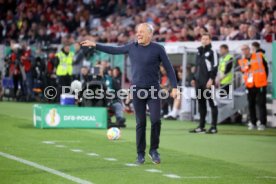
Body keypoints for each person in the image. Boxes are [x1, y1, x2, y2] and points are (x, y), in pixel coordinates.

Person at [80, 23, 178, 164]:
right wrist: (95, 45)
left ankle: (154, 150)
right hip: (137, 90)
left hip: (153, 90)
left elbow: (169, 68)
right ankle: (140, 154)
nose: (138, 34)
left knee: (156, 120)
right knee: (141, 123)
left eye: (142, 32)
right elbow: (113, 50)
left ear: (150, 34)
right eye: (137, 31)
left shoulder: (158, 49)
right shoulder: (132, 47)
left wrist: (175, 87)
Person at [190, 33, 219, 134]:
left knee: (212, 103)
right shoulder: (198, 52)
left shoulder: (212, 52)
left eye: (206, 39)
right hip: (199, 83)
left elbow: (215, 66)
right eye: (203, 39)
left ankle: (214, 127)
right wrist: (194, 78)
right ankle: (201, 126)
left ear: (210, 41)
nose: (204, 41)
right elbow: (196, 67)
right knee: (201, 104)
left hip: (208, 82)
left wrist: (211, 79)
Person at [238, 45, 268, 131]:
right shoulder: (241, 61)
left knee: (261, 104)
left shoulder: (259, 56)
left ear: (249, 50)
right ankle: (253, 122)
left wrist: (265, 79)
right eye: (242, 50)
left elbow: (266, 68)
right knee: (251, 104)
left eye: (245, 49)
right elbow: (243, 71)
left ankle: (262, 123)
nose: (244, 51)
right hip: (250, 85)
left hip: (260, 83)